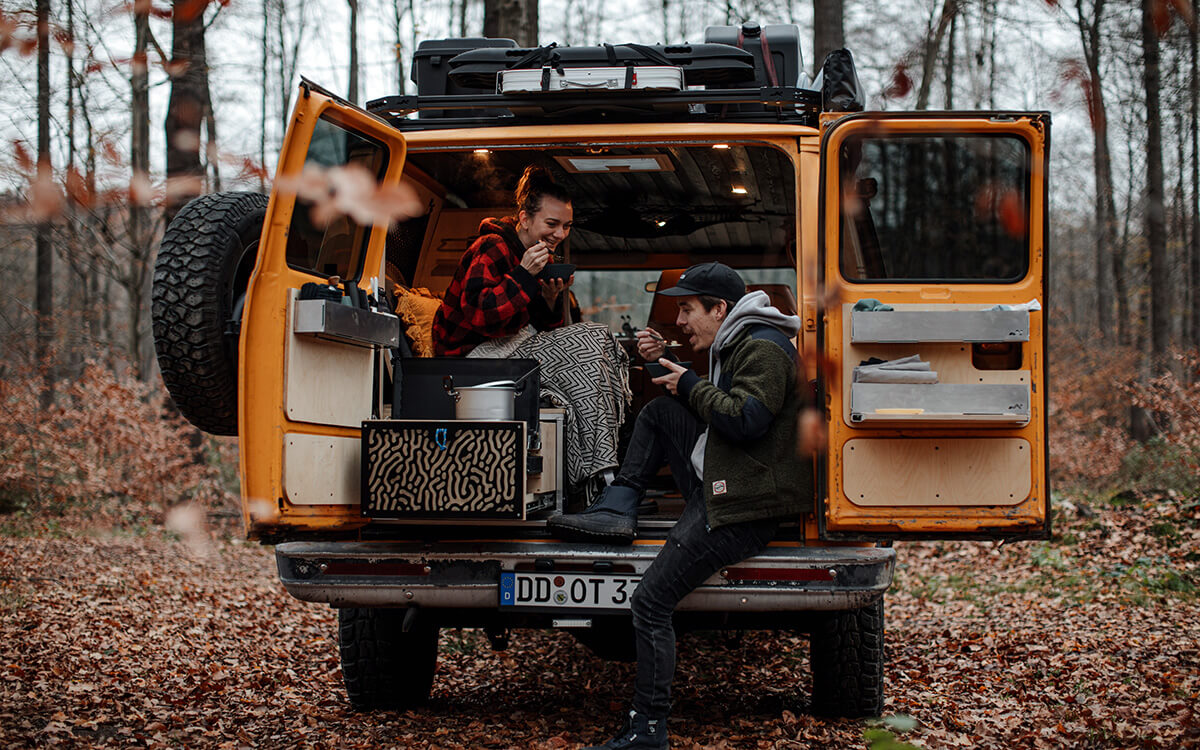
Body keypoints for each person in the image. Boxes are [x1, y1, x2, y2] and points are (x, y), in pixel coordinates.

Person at [548, 262, 813, 750]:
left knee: (650, 603)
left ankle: (648, 730)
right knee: (661, 411)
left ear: (720, 309)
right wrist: (670, 370)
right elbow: (714, 405)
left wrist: (689, 383)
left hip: (745, 505)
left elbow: (746, 420)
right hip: (729, 477)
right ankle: (618, 506)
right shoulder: (738, 340)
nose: (681, 320)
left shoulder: (763, 348)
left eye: (688, 309)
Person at [432, 166, 630, 495]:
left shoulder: (537, 259)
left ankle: (600, 474)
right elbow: (483, 315)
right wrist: (525, 275)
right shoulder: (491, 247)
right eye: (552, 224)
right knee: (593, 337)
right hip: (473, 357)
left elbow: (540, 327)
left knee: (598, 348)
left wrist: (550, 299)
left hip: (515, 348)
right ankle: (602, 478)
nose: (560, 234)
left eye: (566, 226)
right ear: (524, 219)